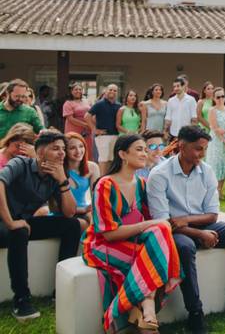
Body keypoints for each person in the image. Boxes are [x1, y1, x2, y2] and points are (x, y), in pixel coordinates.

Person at [147, 125, 225, 333]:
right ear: (181, 146)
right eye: (198, 149)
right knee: (185, 248)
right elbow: (162, 222)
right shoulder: (159, 175)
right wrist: (199, 233)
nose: (202, 154)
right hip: (171, 232)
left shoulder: (206, 171)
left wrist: (187, 220)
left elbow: (212, 214)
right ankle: (195, 312)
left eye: (205, 149)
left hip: (199, 224)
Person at [82, 134, 180, 332]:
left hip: (130, 241)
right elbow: (108, 234)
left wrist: (159, 223)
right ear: (122, 154)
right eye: (139, 149)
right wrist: (150, 224)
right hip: (102, 245)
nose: (145, 153)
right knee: (152, 257)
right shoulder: (105, 184)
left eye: (146, 149)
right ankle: (148, 307)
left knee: (161, 231)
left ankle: (144, 313)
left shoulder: (142, 183)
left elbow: (153, 223)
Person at [0, 129, 82, 321]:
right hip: (4, 222)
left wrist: (62, 181)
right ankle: (21, 300)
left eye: (63, 148)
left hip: (24, 222)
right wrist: (10, 222)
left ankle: (60, 290)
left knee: (72, 225)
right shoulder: (21, 164)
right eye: (55, 148)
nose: (62, 153)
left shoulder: (57, 175)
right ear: (40, 152)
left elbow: (69, 212)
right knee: (19, 231)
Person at [63, 132, 100, 231]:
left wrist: (90, 212)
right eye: (72, 148)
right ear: (65, 151)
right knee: (83, 225)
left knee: (96, 220)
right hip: (65, 212)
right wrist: (82, 210)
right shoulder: (60, 170)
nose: (78, 151)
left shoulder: (92, 167)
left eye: (81, 146)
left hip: (85, 211)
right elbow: (56, 206)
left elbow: (96, 198)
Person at [205, 87, 225, 199]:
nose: (221, 99)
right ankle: (215, 190)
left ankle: (220, 189)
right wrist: (224, 140)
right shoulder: (212, 110)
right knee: (216, 164)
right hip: (217, 141)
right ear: (214, 98)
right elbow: (214, 128)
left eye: (222, 96)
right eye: (218, 97)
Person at [86, 84, 121, 171]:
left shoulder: (119, 105)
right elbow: (87, 116)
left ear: (117, 93)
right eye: (110, 90)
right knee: (103, 159)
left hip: (115, 135)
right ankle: (101, 179)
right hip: (103, 136)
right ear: (106, 91)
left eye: (115, 90)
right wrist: (94, 130)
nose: (112, 92)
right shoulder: (99, 104)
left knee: (111, 159)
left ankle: (108, 178)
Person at [63, 83, 93, 158]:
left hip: (87, 131)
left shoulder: (87, 101)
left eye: (80, 89)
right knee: (74, 148)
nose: (78, 91)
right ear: (71, 91)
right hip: (74, 129)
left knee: (87, 149)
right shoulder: (68, 103)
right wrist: (85, 125)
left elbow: (92, 113)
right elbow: (71, 119)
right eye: (76, 89)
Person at [165, 77, 198, 141]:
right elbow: (168, 118)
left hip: (187, 135)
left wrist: (192, 133)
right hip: (173, 134)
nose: (176, 88)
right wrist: (166, 132)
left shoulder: (191, 100)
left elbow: (194, 118)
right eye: (174, 86)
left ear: (183, 86)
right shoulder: (170, 100)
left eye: (178, 86)